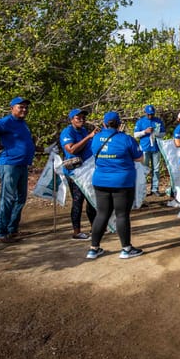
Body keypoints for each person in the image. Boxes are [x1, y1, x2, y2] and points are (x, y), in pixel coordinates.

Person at [0, 96, 38, 243]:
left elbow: (25, 143)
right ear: (12, 108)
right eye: (20, 107)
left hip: (22, 165)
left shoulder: (23, 124)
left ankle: (13, 230)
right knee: (8, 198)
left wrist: (44, 149)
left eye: (25, 107)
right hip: (10, 164)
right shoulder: (5, 122)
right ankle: (1, 233)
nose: (24, 109)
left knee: (21, 198)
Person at [85, 112, 144, 260]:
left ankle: (93, 249)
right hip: (122, 182)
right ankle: (126, 248)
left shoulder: (96, 138)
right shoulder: (126, 139)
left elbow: (93, 153)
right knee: (122, 215)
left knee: (102, 214)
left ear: (104, 124)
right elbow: (139, 158)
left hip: (100, 181)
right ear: (119, 124)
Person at [60, 108, 99, 239]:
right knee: (78, 200)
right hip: (74, 172)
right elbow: (71, 149)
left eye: (83, 117)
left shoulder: (82, 130)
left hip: (87, 170)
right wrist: (89, 137)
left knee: (90, 198)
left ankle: (95, 228)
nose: (81, 120)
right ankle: (76, 232)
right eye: (78, 118)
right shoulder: (67, 132)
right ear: (72, 120)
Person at [133, 104, 166, 196]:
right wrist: (145, 132)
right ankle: (143, 189)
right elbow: (135, 134)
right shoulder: (140, 122)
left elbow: (163, 133)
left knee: (156, 169)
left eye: (152, 114)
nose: (150, 116)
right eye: (148, 114)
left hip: (156, 148)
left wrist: (156, 133)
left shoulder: (158, 121)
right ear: (145, 113)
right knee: (144, 169)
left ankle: (155, 188)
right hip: (145, 148)